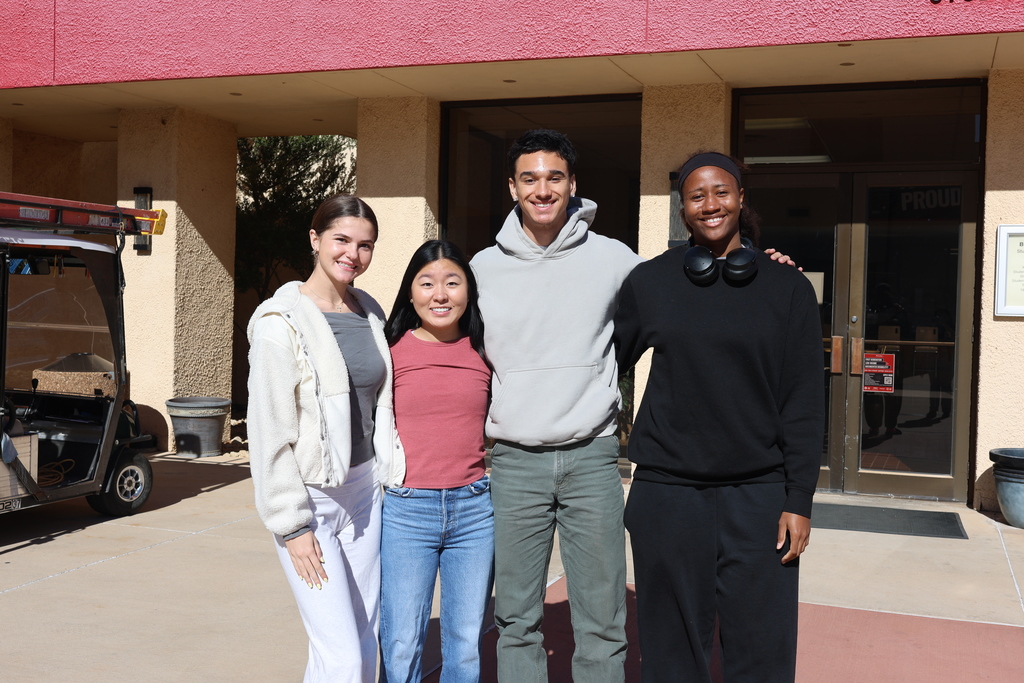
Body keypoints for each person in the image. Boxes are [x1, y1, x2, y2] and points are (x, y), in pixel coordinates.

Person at [471, 130, 798, 683]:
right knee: (515, 619)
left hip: (592, 459)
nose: (543, 189)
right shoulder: (481, 269)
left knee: (602, 622)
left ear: (573, 185)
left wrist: (765, 271)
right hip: (515, 462)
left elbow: (690, 297)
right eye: (530, 178)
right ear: (512, 187)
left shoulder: (618, 261)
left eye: (555, 177)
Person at [614, 152, 825, 682]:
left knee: (763, 651)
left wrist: (798, 499)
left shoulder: (788, 289)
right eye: (697, 195)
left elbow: (803, 402)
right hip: (666, 495)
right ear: (682, 208)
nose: (711, 204)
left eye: (722, 191)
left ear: (741, 198)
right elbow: (601, 362)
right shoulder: (651, 282)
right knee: (669, 652)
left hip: (758, 497)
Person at [246, 194, 402, 683]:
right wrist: (291, 526)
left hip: (364, 493)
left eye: (365, 245)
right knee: (340, 653)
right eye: (341, 240)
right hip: (311, 498)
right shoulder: (280, 323)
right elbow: (268, 430)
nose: (353, 255)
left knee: (359, 636)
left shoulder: (370, 313)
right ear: (314, 240)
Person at [378, 240, 494, 683]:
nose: (439, 295)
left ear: (469, 291)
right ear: (411, 292)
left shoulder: (484, 351)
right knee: (402, 640)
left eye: (452, 282)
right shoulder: (390, 353)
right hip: (407, 511)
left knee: (465, 642)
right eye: (426, 283)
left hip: (475, 510)